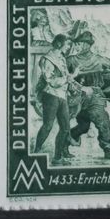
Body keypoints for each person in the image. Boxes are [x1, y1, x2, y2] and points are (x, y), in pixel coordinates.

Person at [33, 35, 74, 164]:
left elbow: (65, 76)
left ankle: (57, 157)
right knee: (48, 126)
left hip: (62, 96)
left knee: (65, 128)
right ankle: (36, 151)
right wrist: (68, 79)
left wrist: (71, 78)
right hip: (51, 95)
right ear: (59, 44)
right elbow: (50, 80)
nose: (68, 47)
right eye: (67, 44)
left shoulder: (62, 58)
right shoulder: (48, 59)